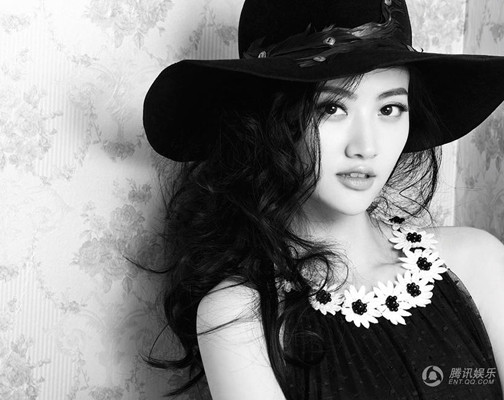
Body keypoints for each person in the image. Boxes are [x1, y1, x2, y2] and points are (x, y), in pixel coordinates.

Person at [142, 0, 504, 398]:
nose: (366, 146)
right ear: (272, 120)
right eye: (332, 107)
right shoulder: (239, 315)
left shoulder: (478, 261)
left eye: (389, 108)